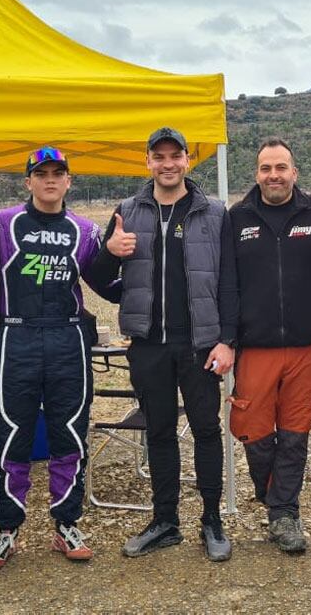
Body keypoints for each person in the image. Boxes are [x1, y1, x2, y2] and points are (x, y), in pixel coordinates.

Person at [89, 126, 239, 562]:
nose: (168, 164)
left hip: (200, 345)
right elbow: (98, 278)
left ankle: (212, 519)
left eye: (176, 156)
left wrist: (227, 340)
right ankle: (165, 521)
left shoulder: (213, 212)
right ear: (148, 161)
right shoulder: (127, 211)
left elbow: (229, 283)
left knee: (207, 430)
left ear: (188, 160)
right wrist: (111, 256)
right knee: (159, 431)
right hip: (149, 346)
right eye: (160, 156)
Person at [0, 146, 116, 570]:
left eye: (59, 173)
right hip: (15, 334)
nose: (50, 179)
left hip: (67, 336)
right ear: (29, 182)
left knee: (69, 430)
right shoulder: (1, 224)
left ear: (69, 181)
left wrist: (120, 253)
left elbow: (107, 284)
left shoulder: (85, 229)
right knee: (12, 432)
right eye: (41, 173)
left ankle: (66, 522)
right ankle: (7, 529)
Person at [228, 137, 311, 553]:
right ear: (256, 174)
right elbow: (226, 283)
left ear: (295, 172)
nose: (274, 175)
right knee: (253, 433)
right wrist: (227, 339)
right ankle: (274, 496)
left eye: (281, 167)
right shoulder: (237, 218)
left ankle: (284, 514)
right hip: (255, 347)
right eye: (265, 168)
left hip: (306, 345)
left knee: (295, 434)